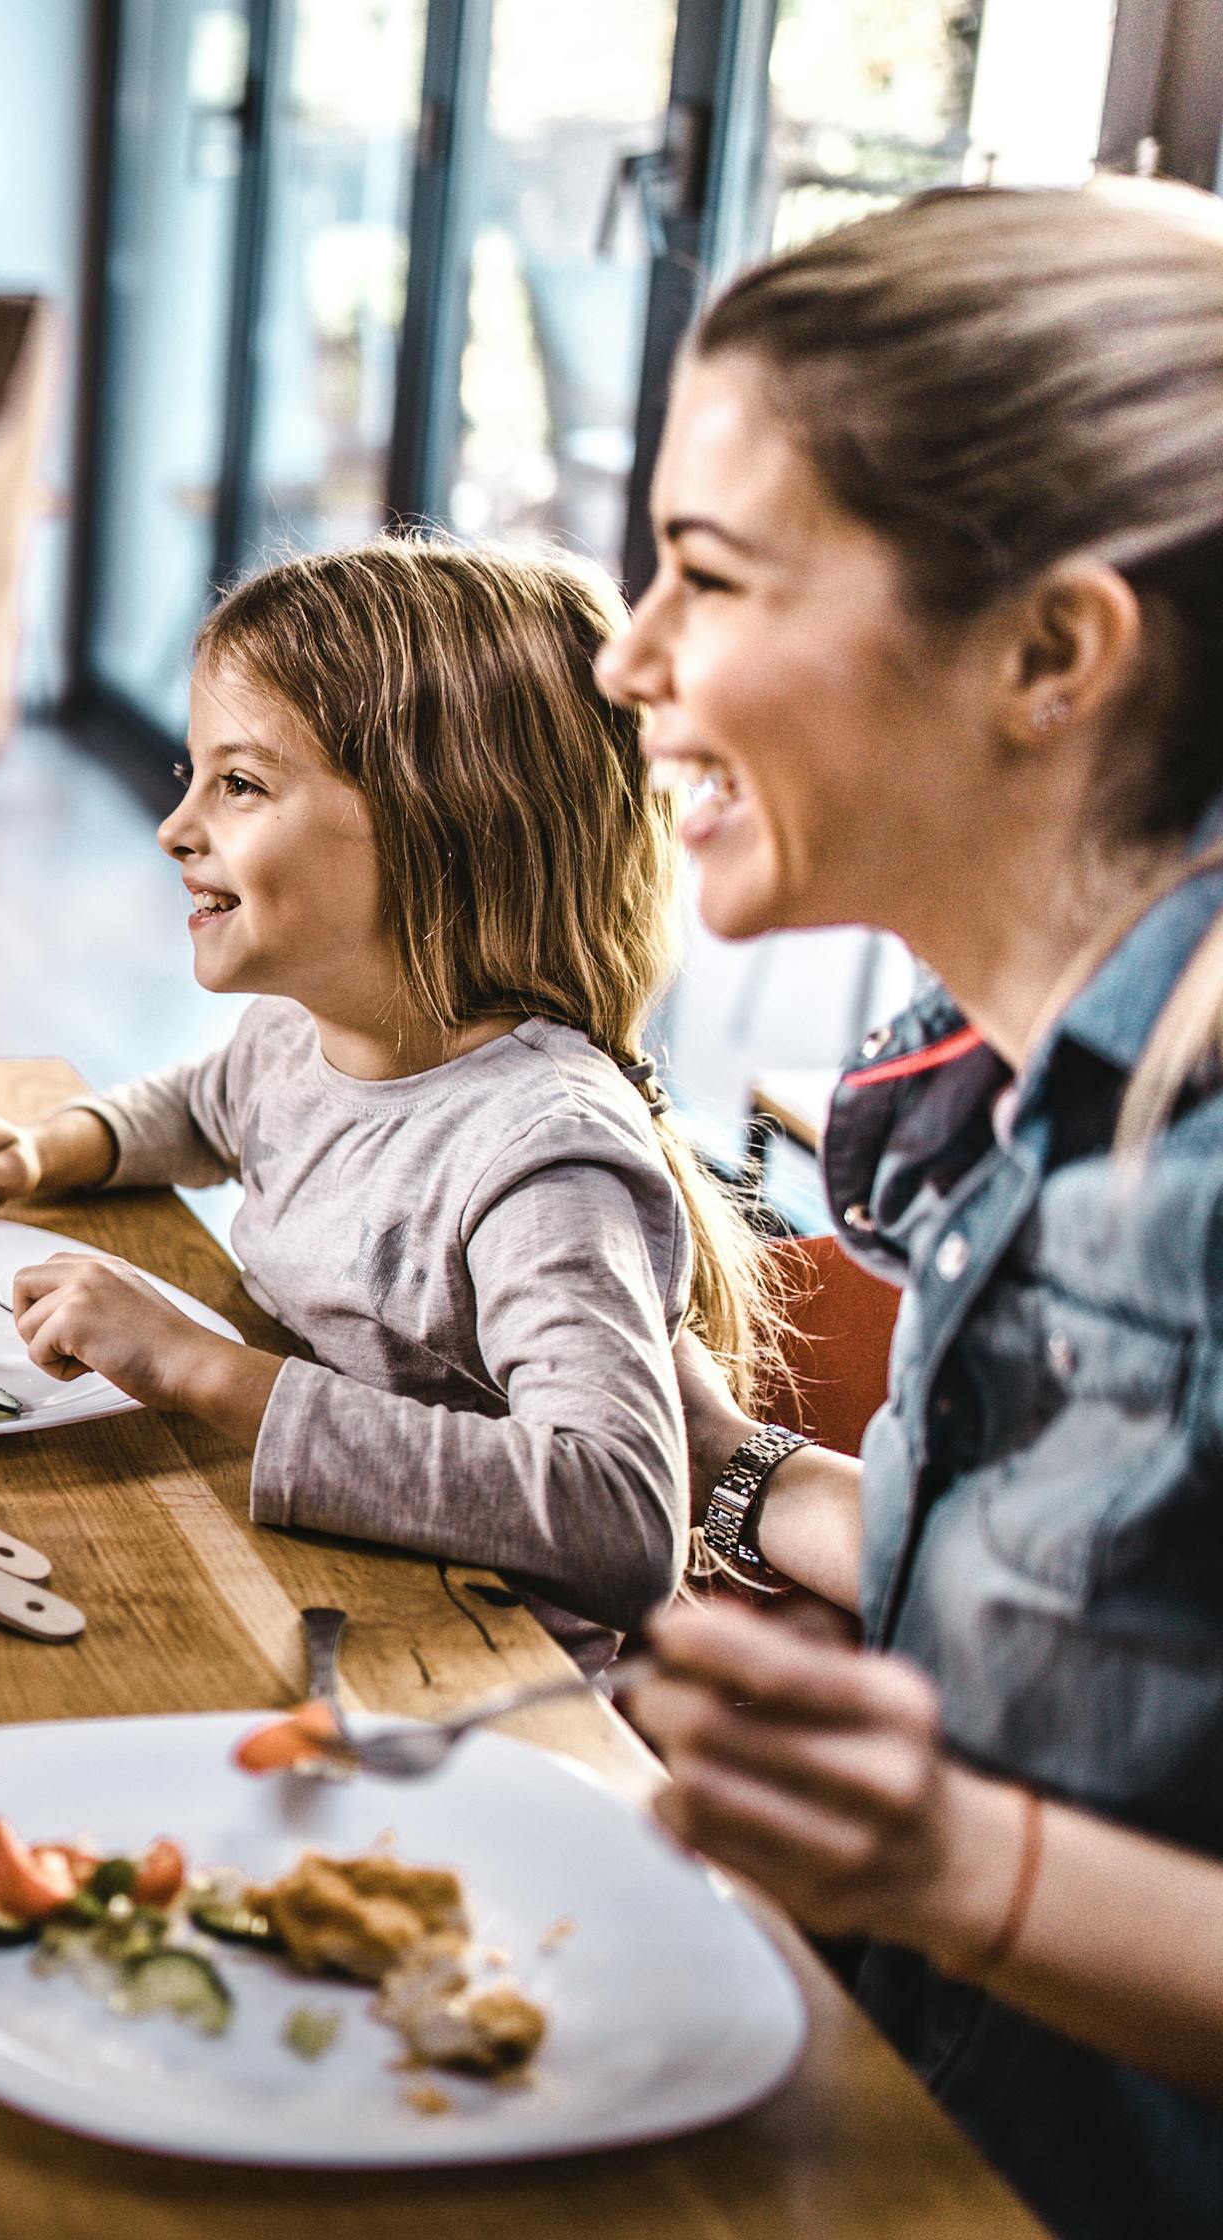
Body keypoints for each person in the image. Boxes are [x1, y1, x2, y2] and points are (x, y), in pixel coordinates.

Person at [589, 181, 1223, 2240]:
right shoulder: (1026, 1088)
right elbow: (1099, 1626)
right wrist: (740, 1462)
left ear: (1052, 650)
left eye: (708, 575)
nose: (628, 654)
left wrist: (959, 1865)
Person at [0, 540, 773, 1649]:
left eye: (242, 784)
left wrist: (206, 1369)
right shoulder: (299, 1034)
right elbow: (208, 1104)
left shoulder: (540, 1155)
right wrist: (46, 1151)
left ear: (446, 825)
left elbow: (616, 1516)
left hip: (463, 1681)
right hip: (299, 1586)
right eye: (194, 777)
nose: (176, 831)